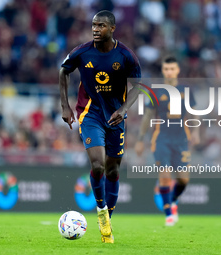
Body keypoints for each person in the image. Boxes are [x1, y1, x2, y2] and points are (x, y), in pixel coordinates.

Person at [59, 10, 141, 243]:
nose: (96, 29)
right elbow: (63, 70)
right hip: (89, 113)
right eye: (94, 25)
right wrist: (65, 106)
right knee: (98, 166)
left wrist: (123, 110)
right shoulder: (82, 52)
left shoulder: (126, 56)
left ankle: (109, 219)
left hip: (115, 116)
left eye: (101, 26)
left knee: (113, 170)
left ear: (112, 28)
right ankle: (102, 211)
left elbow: (138, 86)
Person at [135, 56, 199, 226]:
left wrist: (197, 131)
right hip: (161, 138)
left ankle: (174, 199)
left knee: (183, 179)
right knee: (164, 175)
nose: (169, 72)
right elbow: (147, 116)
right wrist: (140, 140)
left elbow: (194, 113)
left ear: (177, 70)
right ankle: (168, 212)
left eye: (172, 69)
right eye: (166, 69)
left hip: (181, 139)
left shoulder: (186, 90)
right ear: (163, 71)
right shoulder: (156, 91)